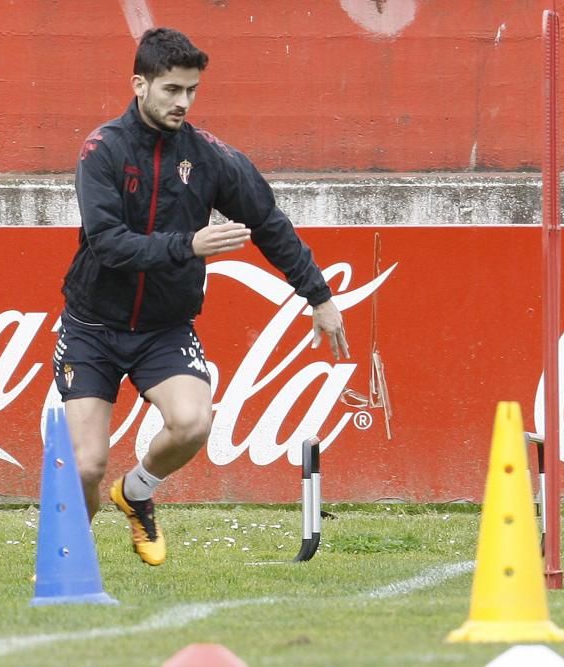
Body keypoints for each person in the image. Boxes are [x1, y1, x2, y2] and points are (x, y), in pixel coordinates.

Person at [53, 27, 349, 566]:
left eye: (191, 91)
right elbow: (107, 242)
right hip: (92, 326)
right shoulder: (102, 150)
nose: (183, 102)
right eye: (171, 90)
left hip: (164, 328)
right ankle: (68, 563)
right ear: (139, 85)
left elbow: (268, 223)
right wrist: (189, 245)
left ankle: (138, 491)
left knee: (193, 423)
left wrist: (319, 297)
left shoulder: (211, 157)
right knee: (86, 464)